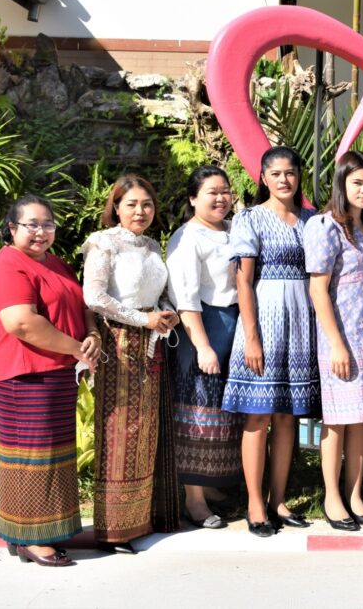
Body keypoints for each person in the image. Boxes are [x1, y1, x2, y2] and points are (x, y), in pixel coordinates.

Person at [0, 196, 101, 567]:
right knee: (31, 457)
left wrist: (92, 334)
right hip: (24, 374)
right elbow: (22, 323)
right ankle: (30, 539)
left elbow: (82, 304)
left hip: (55, 371)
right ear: (12, 228)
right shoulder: (7, 266)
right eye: (31, 224)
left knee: (54, 455)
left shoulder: (55, 262)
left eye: (47, 224)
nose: (41, 232)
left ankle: (35, 532)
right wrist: (78, 349)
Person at [222, 146, 319, 537]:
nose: (283, 180)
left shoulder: (312, 220)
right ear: (263, 178)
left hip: (301, 324)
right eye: (275, 173)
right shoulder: (250, 218)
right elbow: (243, 281)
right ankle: (255, 503)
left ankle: (278, 499)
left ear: (299, 176)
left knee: (286, 416)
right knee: (258, 415)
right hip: (264, 323)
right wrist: (252, 337)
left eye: (290, 172)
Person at [82, 175, 181, 554]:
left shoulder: (152, 245)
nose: (140, 211)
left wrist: (165, 313)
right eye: (132, 204)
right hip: (118, 343)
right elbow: (94, 296)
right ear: (116, 207)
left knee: (146, 431)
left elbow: (158, 293)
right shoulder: (103, 242)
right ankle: (113, 528)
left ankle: (141, 518)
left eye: (147, 204)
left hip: (151, 344)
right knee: (119, 431)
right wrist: (143, 319)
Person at [305, 151, 363, 531]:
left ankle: (355, 495)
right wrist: (336, 343)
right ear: (342, 183)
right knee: (338, 420)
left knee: (360, 418)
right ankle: (332, 497)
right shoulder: (326, 226)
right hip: (339, 338)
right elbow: (318, 290)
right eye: (357, 183)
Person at [166, 166, 243, 529]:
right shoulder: (187, 237)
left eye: (225, 191)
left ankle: (210, 484)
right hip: (203, 327)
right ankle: (193, 500)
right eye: (211, 192)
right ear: (193, 198)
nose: (220, 198)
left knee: (222, 413)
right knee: (197, 413)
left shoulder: (235, 229)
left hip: (234, 325)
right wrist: (202, 346)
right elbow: (185, 298)